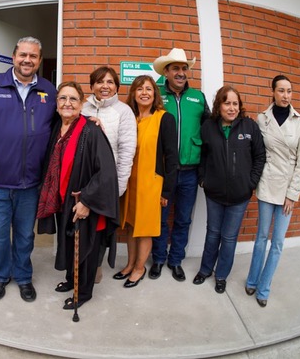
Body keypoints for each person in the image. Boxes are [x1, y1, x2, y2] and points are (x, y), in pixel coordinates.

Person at [0, 37, 57, 302]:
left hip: (31, 184)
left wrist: (89, 120)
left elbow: (64, 122)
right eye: (23, 55)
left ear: (39, 60)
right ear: (14, 56)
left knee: (25, 236)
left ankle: (24, 276)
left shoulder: (48, 91)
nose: (27, 60)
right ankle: (1, 275)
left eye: (33, 56)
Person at [36, 81, 119, 310]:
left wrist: (86, 201)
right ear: (56, 104)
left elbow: (106, 173)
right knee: (71, 243)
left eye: (73, 99)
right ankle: (72, 280)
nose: (67, 103)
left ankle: (82, 293)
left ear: (82, 104)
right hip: (64, 202)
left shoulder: (91, 131)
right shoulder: (57, 128)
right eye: (62, 98)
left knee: (86, 249)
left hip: (84, 204)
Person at [193, 85, 265, 294]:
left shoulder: (249, 127)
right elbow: (202, 155)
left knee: (229, 237)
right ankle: (205, 269)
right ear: (219, 105)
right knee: (213, 233)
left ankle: (221, 275)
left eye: (235, 104)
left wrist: (251, 183)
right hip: (214, 193)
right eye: (227, 103)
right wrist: (203, 179)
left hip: (240, 195)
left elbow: (260, 156)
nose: (232, 108)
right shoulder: (208, 127)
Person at [245, 75, 300, 307]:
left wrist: (293, 193)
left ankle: (264, 288)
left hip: (287, 190)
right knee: (261, 237)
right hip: (267, 183)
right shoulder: (263, 119)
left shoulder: (299, 121)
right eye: (281, 90)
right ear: (272, 92)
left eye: (289, 91)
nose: (285, 95)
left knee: (278, 242)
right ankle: (252, 280)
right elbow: (256, 152)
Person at [150, 47, 210, 281]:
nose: (181, 72)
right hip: (163, 172)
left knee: (183, 219)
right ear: (166, 72)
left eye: (184, 68)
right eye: (175, 68)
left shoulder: (198, 98)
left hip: (190, 172)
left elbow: (210, 129)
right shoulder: (156, 95)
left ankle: (175, 260)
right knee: (160, 218)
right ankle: (158, 258)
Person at [114, 75, 178, 288]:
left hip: (151, 184)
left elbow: (171, 157)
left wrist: (166, 191)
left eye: (149, 89)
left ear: (155, 94)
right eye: (139, 89)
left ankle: (140, 268)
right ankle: (130, 264)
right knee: (130, 226)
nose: (144, 93)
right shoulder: (129, 118)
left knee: (145, 228)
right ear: (133, 93)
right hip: (129, 183)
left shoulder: (164, 118)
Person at [81, 66, 137, 283]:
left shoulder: (124, 112)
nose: (105, 86)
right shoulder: (82, 108)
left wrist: (119, 186)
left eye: (110, 82)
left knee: (101, 227)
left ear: (116, 87)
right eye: (100, 82)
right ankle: (78, 265)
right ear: (92, 85)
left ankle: (95, 267)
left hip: (107, 181)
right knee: (80, 224)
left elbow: (127, 150)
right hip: (82, 179)